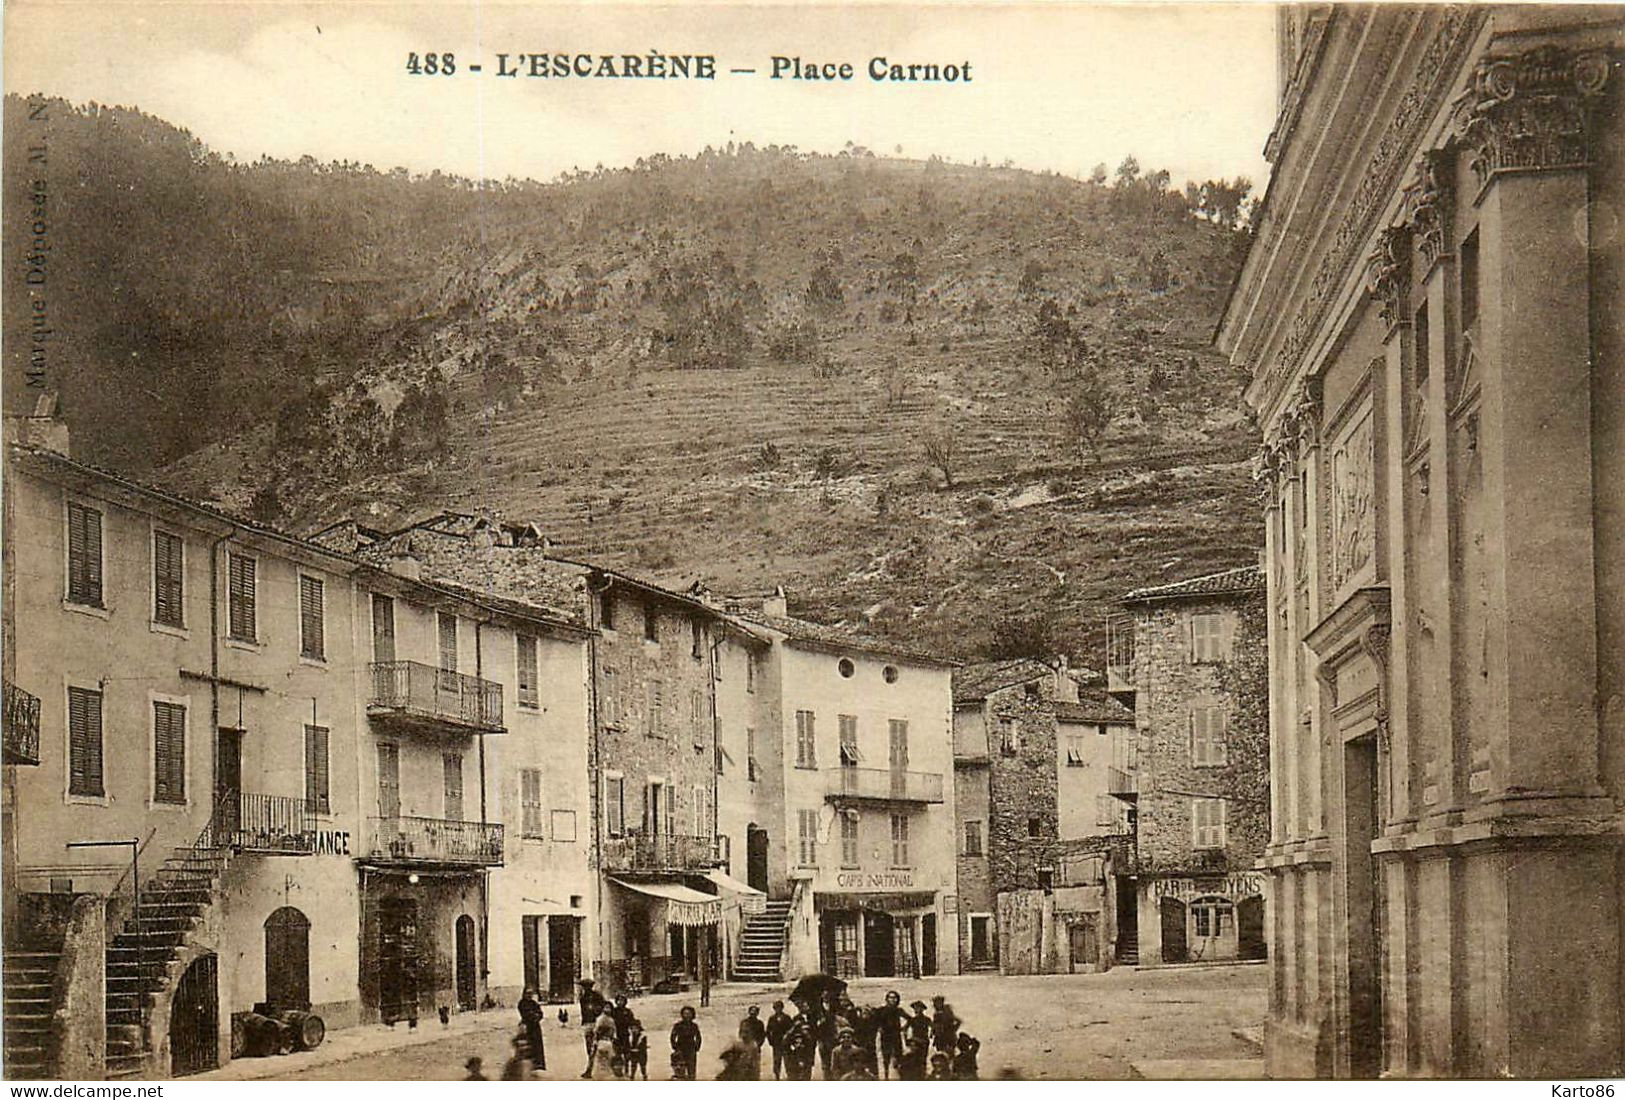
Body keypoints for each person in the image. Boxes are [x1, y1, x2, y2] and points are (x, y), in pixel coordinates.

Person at [579, 979, 608, 1078]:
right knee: (590, 1048)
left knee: (595, 1047)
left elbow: (604, 1007)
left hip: (596, 1023)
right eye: (584, 987)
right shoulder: (583, 998)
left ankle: (591, 1069)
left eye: (586, 987)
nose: (585, 989)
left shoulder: (597, 996)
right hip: (588, 1023)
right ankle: (591, 1068)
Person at [874, 991, 907, 1079]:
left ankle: (900, 1076)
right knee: (886, 1057)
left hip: (896, 1036)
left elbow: (910, 1019)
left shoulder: (899, 1010)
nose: (892, 1000)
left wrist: (904, 1028)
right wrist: (879, 1027)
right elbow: (874, 1019)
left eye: (895, 998)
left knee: (898, 1056)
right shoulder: (881, 1010)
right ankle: (886, 1076)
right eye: (890, 997)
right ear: (887, 999)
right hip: (886, 1036)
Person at [670, 1005, 703, 1080]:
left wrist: (697, 1047)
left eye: (689, 1013)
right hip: (680, 1048)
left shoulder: (694, 1026)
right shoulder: (678, 1025)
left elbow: (698, 1037)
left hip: (691, 1049)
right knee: (680, 1070)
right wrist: (675, 1047)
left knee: (691, 1070)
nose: (687, 1015)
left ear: (692, 1015)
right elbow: (673, 1037)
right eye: (685, 1013)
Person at [782, 1012, 817, 1081]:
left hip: (805, 1058)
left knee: (805, 1077)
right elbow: (784, 1043)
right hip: (793, 1059)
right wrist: (793, 1029)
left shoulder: (806, 1033)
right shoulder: (790, 1033)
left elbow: (811, 1044)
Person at [518, 987, 547, 1071]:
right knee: (528, 1045)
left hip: (536, 1027)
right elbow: (524, 1014)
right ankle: (530, 1064)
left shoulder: (534, 1003)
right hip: (528, 1027)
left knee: (538, 1044)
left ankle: (539, 1063)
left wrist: (537, 1016)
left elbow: (540, 1013)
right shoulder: (522, 1003)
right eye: (528, 993)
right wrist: (533, 1016)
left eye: (531, 993)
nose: (529, 995)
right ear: (524, 994)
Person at [764, 1000, 793, 1080]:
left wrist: (788, 1040)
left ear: (782, 1008)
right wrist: (771, 1041)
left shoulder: (787, 1018)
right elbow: (768, 1031)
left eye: (779, 1007)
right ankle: (777, 1077)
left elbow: (791, 1030)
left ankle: (790, 1077)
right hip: (776, 1044)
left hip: (786, 1044)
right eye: (776, 1008)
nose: (778, 1009)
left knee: (788, 1062)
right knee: (777, 1062)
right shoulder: (772, 1018)